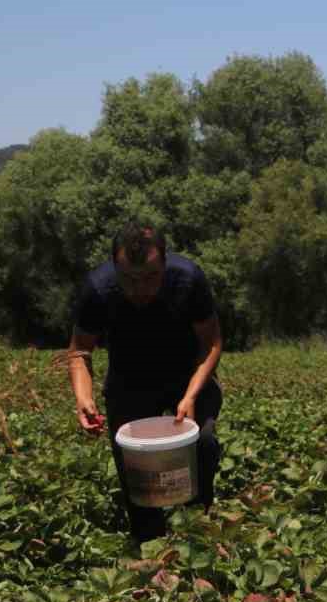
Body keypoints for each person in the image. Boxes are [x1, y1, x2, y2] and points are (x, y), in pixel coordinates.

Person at [67, 222, 224, 542]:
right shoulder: (98, 290)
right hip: (130, 380)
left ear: (165, 263)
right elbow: (79, 352)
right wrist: (83, 397)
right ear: (115, 268)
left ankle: (198, 526)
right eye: (129, 279)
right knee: (133, 465)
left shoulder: (188, 280)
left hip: (187, 374)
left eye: (151, 277)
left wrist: (192, 394)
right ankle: (149, 541)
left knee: (203, 444)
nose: (141, 288)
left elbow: (212, 343)